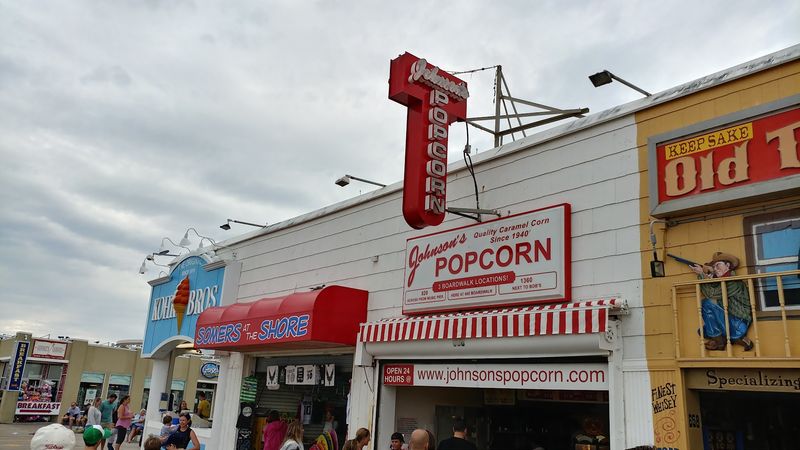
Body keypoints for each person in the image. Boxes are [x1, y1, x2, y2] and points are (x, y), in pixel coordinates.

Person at [691, 251, 754, 351]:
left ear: (728, 265)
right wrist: (709, 277)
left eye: (718, 265)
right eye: (714, 267)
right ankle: (734, 339)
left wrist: (702, 275)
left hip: (738, 323)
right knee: (702, 331)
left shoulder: (733, 281)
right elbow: (713, 290)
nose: (716, 269)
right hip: (728, 320)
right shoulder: (721, 281)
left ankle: (724, 341)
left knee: (706, 303)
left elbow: (711, 294)